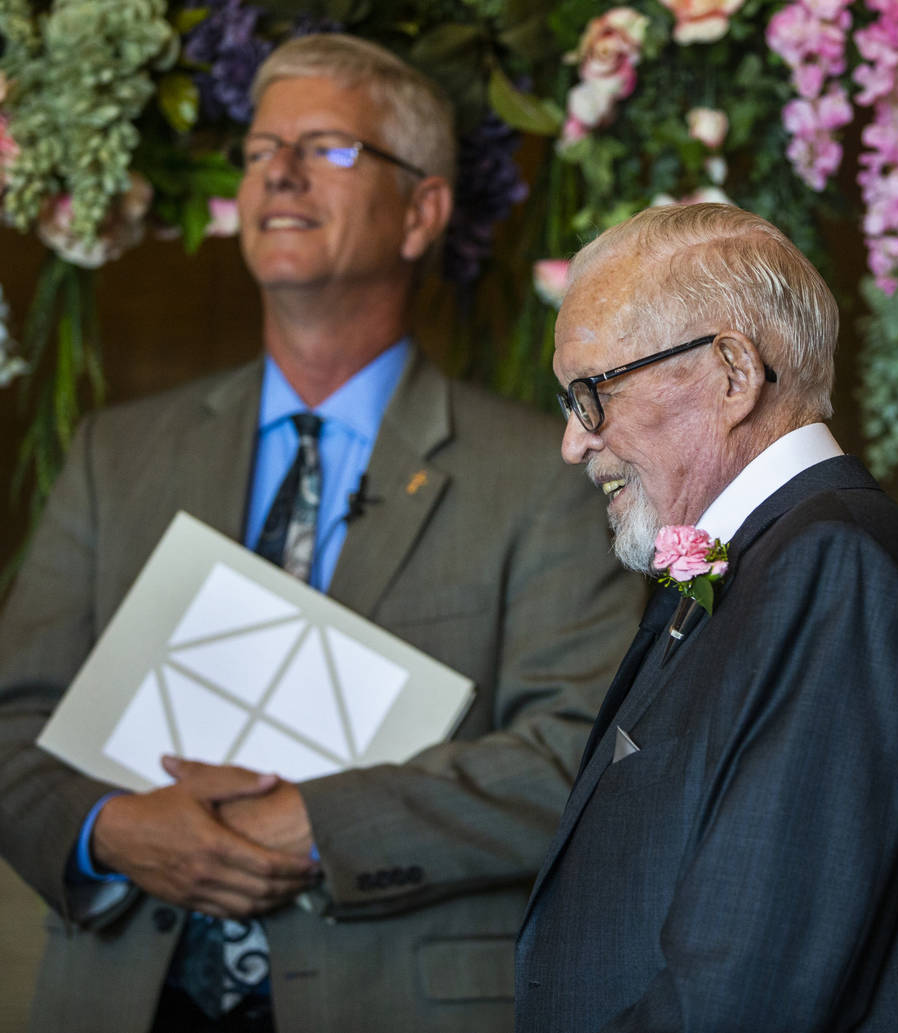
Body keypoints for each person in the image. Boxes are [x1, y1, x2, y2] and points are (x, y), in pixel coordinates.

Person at [0, 33, 645, 1033]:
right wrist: (108, 828)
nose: (280, 174)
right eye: (259, 151)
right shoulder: (114, 453)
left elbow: (579, 754)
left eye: (329, 148)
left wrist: (303, 825)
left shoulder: (546, 472)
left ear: (424, 211)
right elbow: (10, 726)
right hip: (121, 998)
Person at [515, 203, 898, 1033]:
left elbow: (744, 992)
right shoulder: (779, 557)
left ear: (733, 373)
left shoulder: (836, 569)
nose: (574, 441)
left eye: (593, 393)